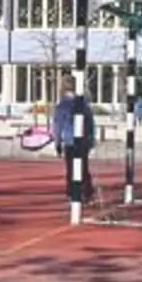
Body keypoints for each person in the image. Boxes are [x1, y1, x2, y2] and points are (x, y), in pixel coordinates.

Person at [51, 74, 96, 202]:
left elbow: (58, 125)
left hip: (70, 141)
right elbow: (91, 123)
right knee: (83, 167)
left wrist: (57, 143)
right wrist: (91, 140)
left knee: (71, 168)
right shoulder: (84, 104)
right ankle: (87, 192)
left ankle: (73, 192)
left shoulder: (62, 106)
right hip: (83, 140)